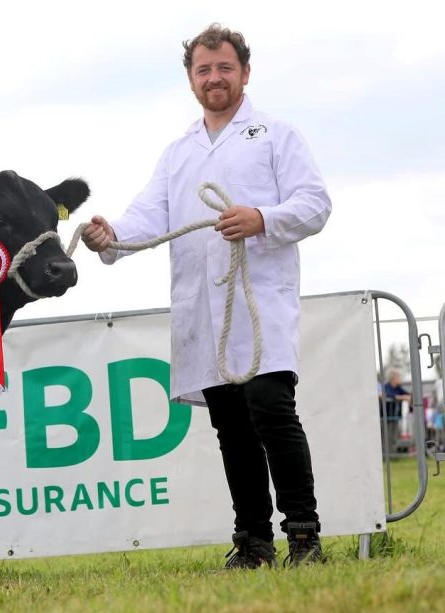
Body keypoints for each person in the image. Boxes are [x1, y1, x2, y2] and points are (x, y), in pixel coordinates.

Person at [81, 24, 331, 568]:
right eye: (203, 70)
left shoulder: (275, 134)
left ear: (244, 72)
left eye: (224, 68)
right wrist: (111, 236)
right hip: (204, 313)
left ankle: (305, 536)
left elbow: (315, 203)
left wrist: (263, 217)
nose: (214, 78)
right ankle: (254, 541)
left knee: (271, 410)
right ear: (191, 79)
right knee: (232, 426)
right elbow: (149, 216)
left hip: (259, 302)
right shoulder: (178, 152)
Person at [380, 369, 411, 455]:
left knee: (394, 436)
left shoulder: (398, 388)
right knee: (386, 437)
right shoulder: (386, 387)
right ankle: (385, 455)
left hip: (395, 417)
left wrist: (408, 396)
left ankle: (393, 454)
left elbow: (408, 395)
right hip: (386, 418)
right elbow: (387, 395)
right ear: (393, 378)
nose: (400, 379)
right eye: (398, 377)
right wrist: (402, 397)